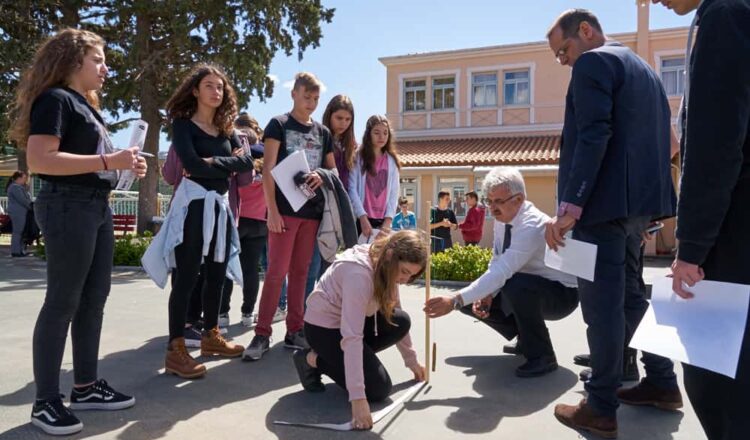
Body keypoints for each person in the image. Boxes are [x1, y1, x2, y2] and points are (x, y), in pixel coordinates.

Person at [544, 10, 677, 438]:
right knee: (633, 299)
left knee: (601, 308)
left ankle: (600, 405)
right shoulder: (645, 71)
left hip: (600, 210)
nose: (563, 61)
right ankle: (661, 381)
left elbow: (593, 134)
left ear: (586, 31)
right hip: (636, 209)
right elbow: (666, 144)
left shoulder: (594, 62)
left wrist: (571, 206)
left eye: (563, 50)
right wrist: (649, 215)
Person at [10, 28, 146, 435]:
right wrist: (108, 160)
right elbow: (41, 159)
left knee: (93, 299)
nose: (105, 68)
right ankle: (45, 401)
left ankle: (85, 386)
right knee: (62, 301)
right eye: (98, 60)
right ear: (72, 61)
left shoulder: (85, 106)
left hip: (93, 206)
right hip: (67, 205)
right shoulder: (55, 99)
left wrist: (122, 166)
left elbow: (91, 162)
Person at [653, 1, 750, 439]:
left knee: (714, 378)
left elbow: (713, 147)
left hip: (733, 233)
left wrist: (690, 248)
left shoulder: (724, 14)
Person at [425, 167, 579, 377]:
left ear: (519, 199)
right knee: (477, 295)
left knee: (515, 286)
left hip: (562, 296)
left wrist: (453, 300)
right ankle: (526, 339)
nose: (492, 209)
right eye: (489, 201)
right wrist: (486, 295)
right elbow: (497, 260)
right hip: (528, 285)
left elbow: (504, 269)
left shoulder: (532, 224)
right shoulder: (502, 219)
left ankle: (543, 356)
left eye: (499, 201)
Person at [159, 64, 254, 378]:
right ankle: (176, 349)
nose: (217, 91)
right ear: (196, 90)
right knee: (187, 276)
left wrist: (213, 162)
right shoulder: (184, 125)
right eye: (210, 85)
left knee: (217, 274)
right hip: (194, 205)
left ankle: (211, 336)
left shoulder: (228, 130)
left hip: (221, 207)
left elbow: (245, 162)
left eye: (221, 87)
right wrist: (222, 165)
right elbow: (191, 165)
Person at [293, 230, 427, 430]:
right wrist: (357, 398)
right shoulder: (358, 275)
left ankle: (350, 363)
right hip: (323, 328)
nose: (405, 280)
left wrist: (412, 361)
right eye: (405, 272)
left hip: (352, 321)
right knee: (378, 389)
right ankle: (310, 359)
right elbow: (352, 337)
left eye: (411, 276)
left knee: (401, 320)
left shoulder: (386, 265)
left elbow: (394, 311)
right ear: (391, 255)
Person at [244, 72, 335, 361]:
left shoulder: (323, 133)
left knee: (301, 273)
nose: (311, 103)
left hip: (312, 213)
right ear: (294, 93)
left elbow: (333, 171)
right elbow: (268, 167)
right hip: (283, 212)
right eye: (306, 96)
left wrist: (322, 175)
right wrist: (271, 210)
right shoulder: (278, 124)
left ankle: (295, 329)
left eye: (316, 98)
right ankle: (261, 333)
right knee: (275, 273)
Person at [348, 115, 402, 240]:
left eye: (385, 133)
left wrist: (388, 222)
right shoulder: (358, 158)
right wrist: (362, 217)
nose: (381, 137)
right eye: (376, 132)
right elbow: (352, 188)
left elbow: (394, 192)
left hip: (383, 223)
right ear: (369, 134)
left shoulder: (392, 161)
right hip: (361, 221)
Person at [6, 170, 32, 257]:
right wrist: (31, 207)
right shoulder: (15, 187)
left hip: (21, 212)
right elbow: (22, 200)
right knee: (18, 231)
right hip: (17, 212)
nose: (25, 180)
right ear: (19, 178)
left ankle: (20, 250)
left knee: (21, 232)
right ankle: (16, 251)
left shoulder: (19, 187)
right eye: (24, 178)